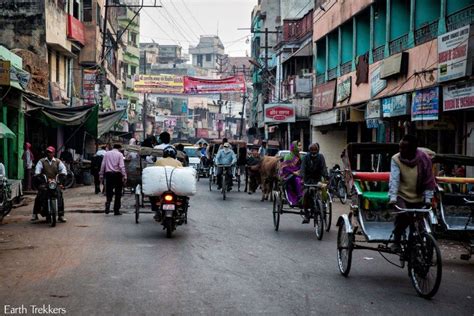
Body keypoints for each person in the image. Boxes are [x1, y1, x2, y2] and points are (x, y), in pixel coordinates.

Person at [388, 135, 436, 252]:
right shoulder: (396, 159)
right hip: (401, 195)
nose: (400, 151)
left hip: (418, 195)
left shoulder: (424, 158)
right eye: (400, 148)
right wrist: (393, 198)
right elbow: (394, 179)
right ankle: (397, 240)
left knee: (420, 223)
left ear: (413, 150)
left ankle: (416, 245)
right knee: (403, 216)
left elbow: (429, 179)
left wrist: (428, 199)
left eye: (404, 148)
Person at [31, 146, 67, 222]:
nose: (49, 153)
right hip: (45, 182)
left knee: (60, 194)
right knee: (39, 195)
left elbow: (63, 170)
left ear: (54, 153)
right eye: (48, 152)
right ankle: (35, 214)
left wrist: (62, 176)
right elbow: (37, 171)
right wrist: (38, 175)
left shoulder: (58, 161)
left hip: (55, 182)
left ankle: (61, 215)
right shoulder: (42, 161)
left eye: (51, 152)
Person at [152, 146, 183, 221]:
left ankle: (156, 210)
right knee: (183, 197)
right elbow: (182, 174)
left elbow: (154, 173)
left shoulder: (159, 162)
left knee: (153, 195)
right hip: (174, 186)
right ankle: (181, 211)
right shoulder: (178, 162)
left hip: (161, 186)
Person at [300, 143, 328, 223]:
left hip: (317, 180)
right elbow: (302, 169)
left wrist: (326, 177)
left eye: (315, 151)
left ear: (317, 151)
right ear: (309, 151)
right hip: (307, 180)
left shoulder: (320, 157)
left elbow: (323, 168)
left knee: (323, 193)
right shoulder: (305, 158)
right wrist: (302, 178)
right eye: (312, 151)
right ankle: (306, 214)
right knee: (305, 195)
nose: (313, 152)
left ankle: (322, 207)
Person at [100, 144, 127, 215]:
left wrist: (101, 174)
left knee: (109, 190)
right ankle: (116, 210)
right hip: (117, 174)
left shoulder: (107, 154)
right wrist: (124, 175)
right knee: (118, 193)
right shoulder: (120, 154)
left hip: (108, 174)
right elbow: (121, 166)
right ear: (119, 148)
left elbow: (103, 164)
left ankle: (108, 202)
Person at [278, 141, 304, 208]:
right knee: (297, 180)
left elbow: (302, 167)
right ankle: (299, 196)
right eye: (298, 146)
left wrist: (299, 171)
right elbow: (284, 168)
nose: (300, 147)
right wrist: (293, 172)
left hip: (298, 174)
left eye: (301, 145)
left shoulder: (299, 156)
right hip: (288, 175)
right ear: (294, 147)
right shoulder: (288, 156)